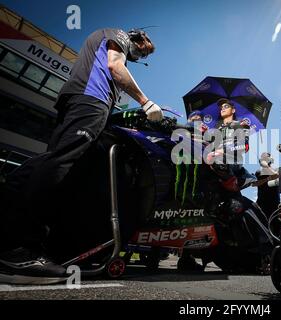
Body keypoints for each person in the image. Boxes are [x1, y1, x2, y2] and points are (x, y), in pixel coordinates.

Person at [0, 28, 164, 284]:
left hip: (82, 99)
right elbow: (115, 67)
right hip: (91, 99)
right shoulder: (118, 35)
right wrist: (145, 101)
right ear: (139, 37)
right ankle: (21, 250)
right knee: (61, 163)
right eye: (144, 49)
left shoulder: (103, 41)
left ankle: (21, 238)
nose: (142, 54)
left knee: (60, 164)